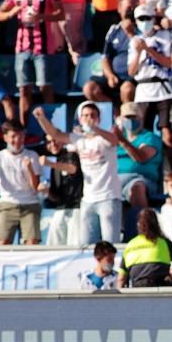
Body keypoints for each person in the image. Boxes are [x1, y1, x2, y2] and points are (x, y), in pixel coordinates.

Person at [34, 102, 123, 244]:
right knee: (86, 244)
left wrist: (95, 128)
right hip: (88, 199)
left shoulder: (103, 138)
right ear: (80, 119)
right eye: (85, 115)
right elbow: (55, 134)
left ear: (99, 119)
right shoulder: (78, 140)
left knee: (111, 243)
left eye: (93, 115)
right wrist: (41, 118)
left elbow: (114, 140)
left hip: (109, 197)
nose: (89, 118)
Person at [0, 0, 64, 126]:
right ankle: (22, 128)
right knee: (24, 89)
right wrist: (11, 13)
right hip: (22, 47)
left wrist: (41, 17)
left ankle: (51, 126)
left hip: (43, 47)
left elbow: (61, 13)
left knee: (45, 86)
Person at [128, 4, 172, 158]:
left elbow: (169, 63)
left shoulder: (164, 36)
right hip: (143, 91)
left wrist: (149, 50)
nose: (144, 22)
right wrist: (139, 52)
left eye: (147, 18)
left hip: (162, 89)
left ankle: (171, 167)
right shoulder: (134, 41)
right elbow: (131, 71)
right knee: (145, 133)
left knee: (167, 134)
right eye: (140, 19)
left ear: (153, 18)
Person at [84, 0, 138, 105]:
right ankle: (115, 113)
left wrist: (131, 33)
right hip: (114, 76)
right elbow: (105, 57)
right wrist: (110, 75)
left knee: (127, 89)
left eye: (134, 8)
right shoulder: (114, 30)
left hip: (132, 77)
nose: (131, 11)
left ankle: (127, 119)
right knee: (89, 88)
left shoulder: (142, 29)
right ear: (119, 8)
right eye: (128, 8)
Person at [0, 120, 41, 245]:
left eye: (21, 136)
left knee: (32, 243)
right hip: (7, 204)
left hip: (30, 204)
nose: (18, 140)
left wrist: (30, 169)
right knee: (3, 243)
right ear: (5, 137)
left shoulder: (32, 155)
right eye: (13, 136)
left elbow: (35, 187)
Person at [115, 101, 164, 213]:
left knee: (137, 188)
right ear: (121, 119)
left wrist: (122, 141)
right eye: (127, 117)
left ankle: (144, 226)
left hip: (140, 179)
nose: (131, 120)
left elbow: (141, 157)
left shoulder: (149, 138)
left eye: (134, 117)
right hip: (115, 180)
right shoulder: (115, 140)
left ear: (141, 118)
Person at [118, 208, 172, 287]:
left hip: (138, 291)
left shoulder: (130, 245)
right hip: (161, 291)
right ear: (156, 224)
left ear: (138, 225)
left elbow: (121, 279)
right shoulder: (166, 243)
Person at [41, 136, 83, 246]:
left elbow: (72, 169)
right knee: (54, 244)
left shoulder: (71, 155)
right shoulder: (54, 164)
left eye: (55, 140)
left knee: (75, 245)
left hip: (77, 208)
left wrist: (50, 163)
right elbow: (56, 197)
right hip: (61, 209)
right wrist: (47, 192)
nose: (53, 144)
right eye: (49, 142)